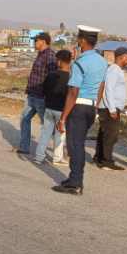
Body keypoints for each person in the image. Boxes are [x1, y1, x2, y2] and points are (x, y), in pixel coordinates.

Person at [53, 26, 107, 195]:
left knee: (74, 146)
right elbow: (102, 86)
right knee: (79, 144)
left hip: (78, 107)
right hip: (91, 107)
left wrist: (63, 118)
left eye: (78, 38)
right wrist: (95, 106)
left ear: (82, 41)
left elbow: (73, 92)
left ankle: (75, 183)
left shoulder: (80, 63)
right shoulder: (102, 61)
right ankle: (73, 178)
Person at [17, 32, 56, 154]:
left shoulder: (50, 56)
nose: (34, 43)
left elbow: (53, 77)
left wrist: (48, 95)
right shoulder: (40, 54)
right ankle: (24, 147)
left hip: (41, 97)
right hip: (32, 95)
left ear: (43, 42)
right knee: (24, 119)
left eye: (36, 41)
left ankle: (60, 150)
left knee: (48, 125)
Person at [94, 47, 127, 170]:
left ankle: (99, 158)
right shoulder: (114, 70)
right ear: (122, 57)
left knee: (105, 133)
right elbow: (108, 89)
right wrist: (112, 109)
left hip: (110, 107)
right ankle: (107, 161)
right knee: (111, 135)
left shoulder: (116, 70)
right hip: (109, 107)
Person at [33, 49, 73, 165]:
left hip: (49, 108)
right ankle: (57, 158)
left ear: (59, 61)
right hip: (62, 111)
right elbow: (71, 95)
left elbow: (44, 90)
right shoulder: (71, 78)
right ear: (69, 61)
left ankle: (39, 157)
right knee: (60, 135)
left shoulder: (51, 75)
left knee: (45, 133)